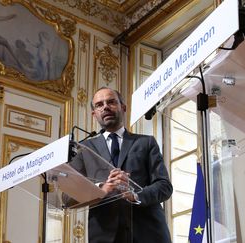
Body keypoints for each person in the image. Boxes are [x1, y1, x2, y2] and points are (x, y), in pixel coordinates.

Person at [68, 87, 173, 243]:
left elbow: (164, 186)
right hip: (105, 236)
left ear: (123, 107)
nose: (105, 107)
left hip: (149, 234)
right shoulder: (84, 150)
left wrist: (136, 195)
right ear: (94, 114)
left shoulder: (146, 142)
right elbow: (68, 196)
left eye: (111, 102)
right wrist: (100, 189)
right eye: (99, 105)